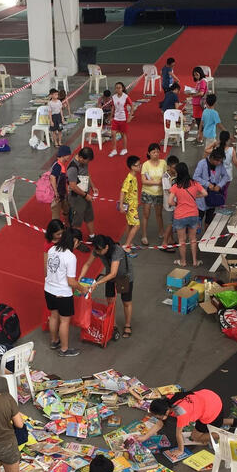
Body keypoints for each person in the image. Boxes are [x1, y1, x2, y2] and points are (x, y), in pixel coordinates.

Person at [80, 235, 134, 340]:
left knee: (126, 302)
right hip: (109, 276)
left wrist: (96, 283)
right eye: (96, 250)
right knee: (110, 301)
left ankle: (127, 325)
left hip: (124, 276)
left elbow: (114, 273)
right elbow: (87, 264)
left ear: (107, 247)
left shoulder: (117, 251)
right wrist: (80, 279)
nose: (98, 253)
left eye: (100, 251)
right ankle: (113, 324)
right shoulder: (98, 249)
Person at [142, 389, 224, 455]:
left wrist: (180, 450)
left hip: (212, 409)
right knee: (209, 425)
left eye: (157, 417)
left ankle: (221, 435)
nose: (156, 418)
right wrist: (144, 437)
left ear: (166, 412)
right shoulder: (167, 400)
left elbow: (179, 434)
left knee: (195, 437)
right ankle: (222, 422)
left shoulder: (181, 413)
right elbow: (160, 424)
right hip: (207, 395)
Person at [44, 229, 80, 357]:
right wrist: (82, 288)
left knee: (54, 316)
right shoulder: (70, 257)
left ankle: (54, 341)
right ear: (75, 241)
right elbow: (71, 281)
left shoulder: (52, 249)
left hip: (48, 290)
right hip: (62, 293)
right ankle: (64, 349)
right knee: (64, 321)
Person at [167, 162, 206, 267]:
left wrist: (177, 204)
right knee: (193, 239)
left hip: (180, 216)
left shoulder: (176, 186)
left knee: (182, 240)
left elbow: (170, 201)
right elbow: (205, 193)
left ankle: (183, 261)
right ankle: (195, 261)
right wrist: (194, 197)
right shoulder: (195, 183)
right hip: (193, 214)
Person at [193, 149, 232, 228]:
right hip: (201, 198)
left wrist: (219, 185)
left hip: (213, 198)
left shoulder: (220, 165)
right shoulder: (202, 163)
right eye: (217, 161)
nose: (219, 163)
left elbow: (226, 176)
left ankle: (207, 235)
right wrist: (207, 184)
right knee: (198, 221)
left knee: (209, 221)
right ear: (212, 158)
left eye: (220, 161)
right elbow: (195, 177)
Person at [67, 147, 97, 241]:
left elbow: (86, 174)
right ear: (80, 157)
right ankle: (76, 240)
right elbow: (73, 186)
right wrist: (85, 195)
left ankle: (92, 236)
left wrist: (93, 186)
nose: (87, 163)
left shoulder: (84, 162)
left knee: (89, 215)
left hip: (85, 194)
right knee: (77, 220)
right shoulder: (72, 168)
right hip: (77, 197)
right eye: (86, 161)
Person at [140, 144, 167, 246]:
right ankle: (144, 235)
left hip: (159, 193)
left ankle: (161, 231)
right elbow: (143, 181)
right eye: (153, 152)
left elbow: (166, 175)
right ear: (149, 153)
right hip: (147, 192)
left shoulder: (163, 163)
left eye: (157, 152)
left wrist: (162, 182)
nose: (156, 154)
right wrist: (158, 182)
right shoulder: (145, 165)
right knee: (146, 215)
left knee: (159, 214)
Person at [119, 155, 141, 253]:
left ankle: (128, 242)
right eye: (138, 165)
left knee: (130, 224)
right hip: (130, 207)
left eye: (140, 164)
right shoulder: (129, 179)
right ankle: (127, 245)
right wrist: (121, 205)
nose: (140, 166)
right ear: (132, 167)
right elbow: (122, 191)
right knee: (136, 225)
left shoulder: (133, 177)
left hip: (133, 205)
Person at [107, 82, 133, 157]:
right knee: (113, 134)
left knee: (123, 134)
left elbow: (132, 106)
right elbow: (113, 107)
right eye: (116, 88)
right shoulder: (114, 97)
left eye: (119, 88)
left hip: (123, 118)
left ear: (122, 88)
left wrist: (129, 117)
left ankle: (124, 149)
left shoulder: (125, 97)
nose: (118, 89)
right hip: (116, 118)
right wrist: (111, 116)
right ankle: (114, 150)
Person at [159, 155, 179, 251]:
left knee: (172, 223)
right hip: (169, 204)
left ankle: (171, 240)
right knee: (170, 224)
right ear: (168, 167)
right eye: (174, 168)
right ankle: (164, 243)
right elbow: (168, 190)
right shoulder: (165, 177)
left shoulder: (176, 174)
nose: (175, 169)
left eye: (176, 167)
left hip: (175, 203)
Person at [49, 146, 72, 222]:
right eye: (68, 155)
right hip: (57, 196)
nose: (69, 156)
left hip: (62, 194)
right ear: (63, 155)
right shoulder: (58, 166)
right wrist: (55, 192)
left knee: (67, 210)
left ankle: (67, 224)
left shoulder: (60, 164)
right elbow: (52, 177)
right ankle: (55, 228)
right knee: (56, 216)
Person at [189, 67, 208, 140]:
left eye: (197, 74)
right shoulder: (199, 81)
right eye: (194, 75)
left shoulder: (203, 81)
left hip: (199, 104)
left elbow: (201, 93)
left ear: (200, 73)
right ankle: (200, 135)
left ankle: (201, 137)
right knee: (198, 120)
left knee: (199, 121)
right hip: (196, 103)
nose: (196, 76)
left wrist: (192, 95)